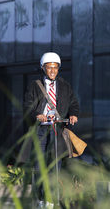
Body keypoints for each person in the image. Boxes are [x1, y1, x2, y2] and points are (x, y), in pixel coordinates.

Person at [23, 52, 80, 204]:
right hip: (41, 130)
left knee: (56, 165)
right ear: (43, 68)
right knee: (39, 165)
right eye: (49, 68)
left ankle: (53, 199)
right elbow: (27, 106)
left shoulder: (65, 86)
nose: (53, 71)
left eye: (56, 68)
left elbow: (73, 103)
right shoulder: (35, 86)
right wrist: (37, 115)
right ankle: (40, 199)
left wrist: (73, 114)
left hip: (57, 129)